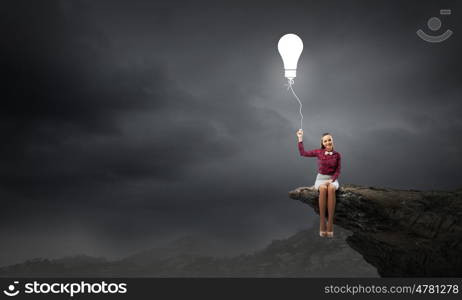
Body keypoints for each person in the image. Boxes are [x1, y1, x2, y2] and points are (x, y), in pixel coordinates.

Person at [296, 129, 341, 238]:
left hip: (332, 179)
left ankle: (330, 223)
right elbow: (303, 153)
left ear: (332, 140)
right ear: (322, 143)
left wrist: (332, 180)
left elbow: (338, 170)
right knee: (323, 189)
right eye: (325, 141)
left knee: (330, 188)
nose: (327, 142)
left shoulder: (337, 155)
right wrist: (300, 138)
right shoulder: (318, 152)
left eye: (329, 140)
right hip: (320, 179)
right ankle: (322, 223)